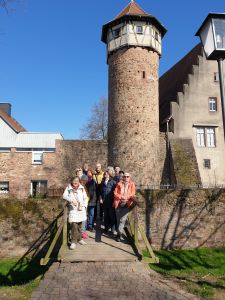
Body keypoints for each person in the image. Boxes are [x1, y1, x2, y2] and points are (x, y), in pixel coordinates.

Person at [63, 176, 88, 249]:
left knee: (80, 224)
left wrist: (84, 206)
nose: (75, 182)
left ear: (79, 181)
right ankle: (73, 241)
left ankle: (79, 239)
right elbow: (64, 196)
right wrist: (71, 200)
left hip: (81, 209)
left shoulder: (82, 188)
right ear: (72, 181)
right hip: (73, 209)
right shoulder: (69, 188)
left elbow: (85, 198)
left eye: (77, 181)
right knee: (74, 224)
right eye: (74, 181)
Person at [113, 172, 136, 242]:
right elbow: (115, 193)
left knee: (122, 220)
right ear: (123, 177)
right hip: (118, 203)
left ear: (129, 177)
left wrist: (126, 197)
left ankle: (119, 235)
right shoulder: (119, 183)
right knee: (118, 219)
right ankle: (119, 233)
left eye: (127, 176)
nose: (126, 178)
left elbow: (133, 193)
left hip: (127, 203)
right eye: (125, 176)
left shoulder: (132, 184)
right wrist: (121, 197)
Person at [80, 174, 89, 239]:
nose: (85, 182)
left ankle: (83, 231)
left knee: (84, 219)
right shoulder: (80, 187)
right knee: (82, 219)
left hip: (85, 205)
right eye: (84, 180)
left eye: (86, 180)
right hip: (81, 206)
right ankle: (82, 233)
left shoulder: (84, 186)